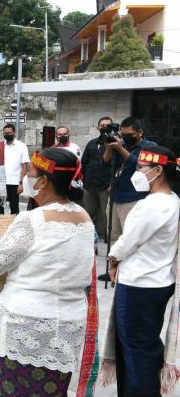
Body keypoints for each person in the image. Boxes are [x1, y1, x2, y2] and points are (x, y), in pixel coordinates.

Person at [0, 148, 98, 396]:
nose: (26, 178)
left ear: (42, 181)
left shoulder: (32, 220)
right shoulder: (84, 217)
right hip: (68, 326)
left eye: (30, 172)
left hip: (25, 326)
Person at [101, 147, 180, 397]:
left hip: (141, 285)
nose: (136, 173)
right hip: (154, 282)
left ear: (159, 171)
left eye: (141, 169)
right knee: (140, 344)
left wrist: (113, 258)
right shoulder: (172, 200)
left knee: (137, 348)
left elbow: (128, 240)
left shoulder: (155, 204)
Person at [99, 117, 156, 281]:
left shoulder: (149, 147)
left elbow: (137, 164)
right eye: (123, 134)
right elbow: (104, 163)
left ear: (140, 132)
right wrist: (110, 147)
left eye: (129, 134)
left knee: (130, 236)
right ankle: (113, 269)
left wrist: (121, 148)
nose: (125, 137)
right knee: (114, 235)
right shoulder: (120, 142)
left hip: (134, 197)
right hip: (116, 195)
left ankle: (128, 272)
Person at [81, 117, 113, 246]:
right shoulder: (91, 143)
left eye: (107, 125)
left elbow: (117, 165)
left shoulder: (115, 144)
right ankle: (89, 236)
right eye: (102, 125)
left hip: (106, 185)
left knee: (106, 214)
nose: (104, 127)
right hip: (89, 184)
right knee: (89, 212)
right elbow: (84, 163)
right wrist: (83, 179)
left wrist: (112, 183)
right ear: (97, 127)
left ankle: (106, 237)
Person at [0, 124, 30, 215]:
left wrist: (21, 183)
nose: (7, 135)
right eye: (5, 133)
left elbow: (24, 166)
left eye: (9, 133)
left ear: (14, 133)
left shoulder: (22, 146)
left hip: (14, 182)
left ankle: (14, 227)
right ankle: (0, 225)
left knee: (14, 206)